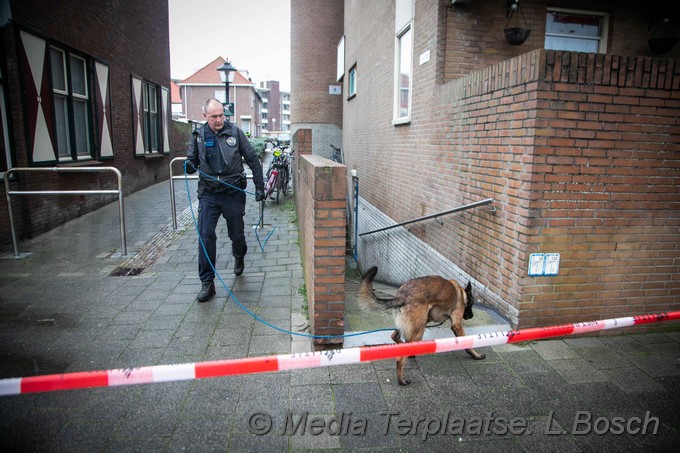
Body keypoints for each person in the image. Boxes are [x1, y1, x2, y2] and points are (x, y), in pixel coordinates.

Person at [185, 98, 265, 302]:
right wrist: (187, 166)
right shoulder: (198, 136)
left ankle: (239, 256)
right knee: (205, 236)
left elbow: (253, 159)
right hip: (209, 194)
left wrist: (259, 186)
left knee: (236, 235)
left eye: (221, 115)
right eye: (214, 116)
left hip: (233, 193)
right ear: (205, 117)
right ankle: (207, 283)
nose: (219, 119)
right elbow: (191, 162)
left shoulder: (235, 132)